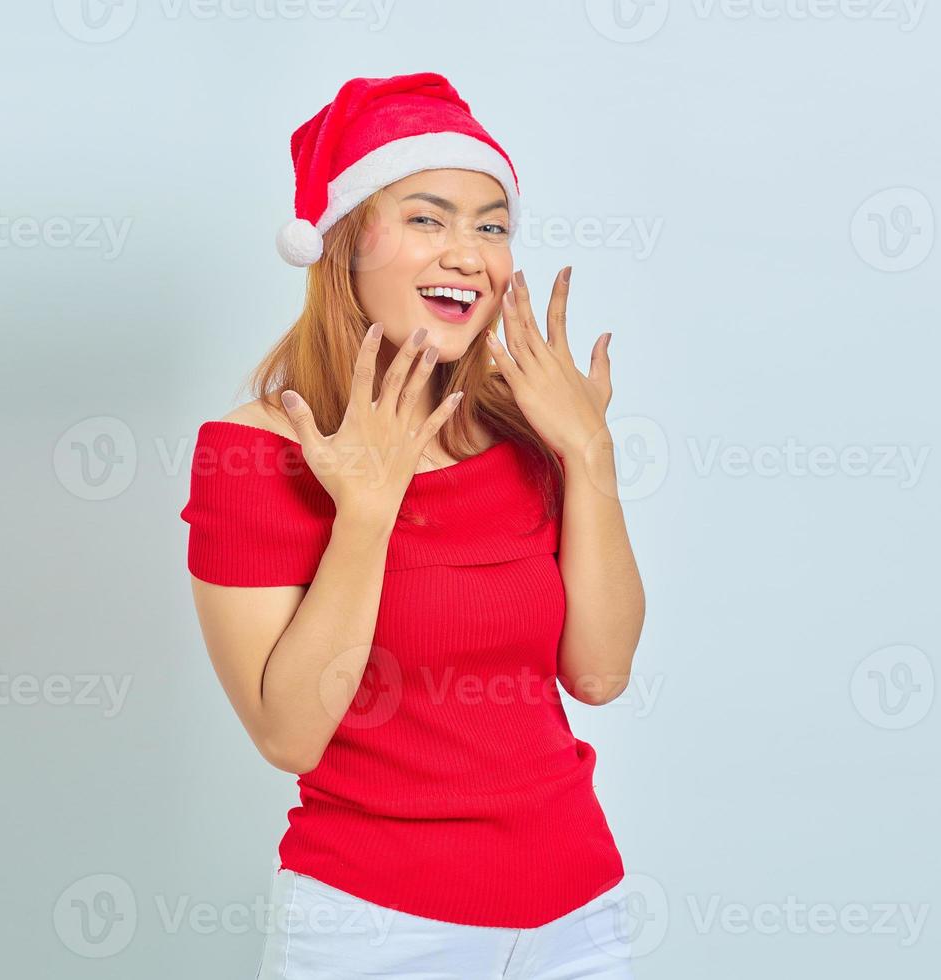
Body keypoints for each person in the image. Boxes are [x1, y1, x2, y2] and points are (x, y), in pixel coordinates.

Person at [180, 71, 646, 979]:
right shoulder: (251, 453)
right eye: (428, 219)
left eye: (491, 225)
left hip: (579, 916)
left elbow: (600, 673)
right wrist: (367, 512)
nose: (469, 255)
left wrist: (590, 457)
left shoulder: (527, 430)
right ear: (345, 243)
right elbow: (288, 737)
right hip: (379, 929)